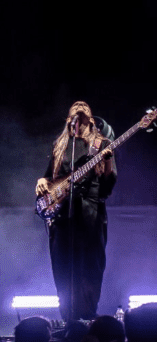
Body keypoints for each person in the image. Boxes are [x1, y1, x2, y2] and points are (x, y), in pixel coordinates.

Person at [35, 101, 117, 322]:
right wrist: (41, 180)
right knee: (62, 267)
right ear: (68, 121)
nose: (78, 121)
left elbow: (107, 189)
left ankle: (88, 317)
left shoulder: (102, 144)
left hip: (91, 213)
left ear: (90, 121)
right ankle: (68, 319)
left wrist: (108, 164)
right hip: (62, 217)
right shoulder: (60, 145)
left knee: (90, 265)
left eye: (82, 117)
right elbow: (49, 177)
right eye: (74, 117)